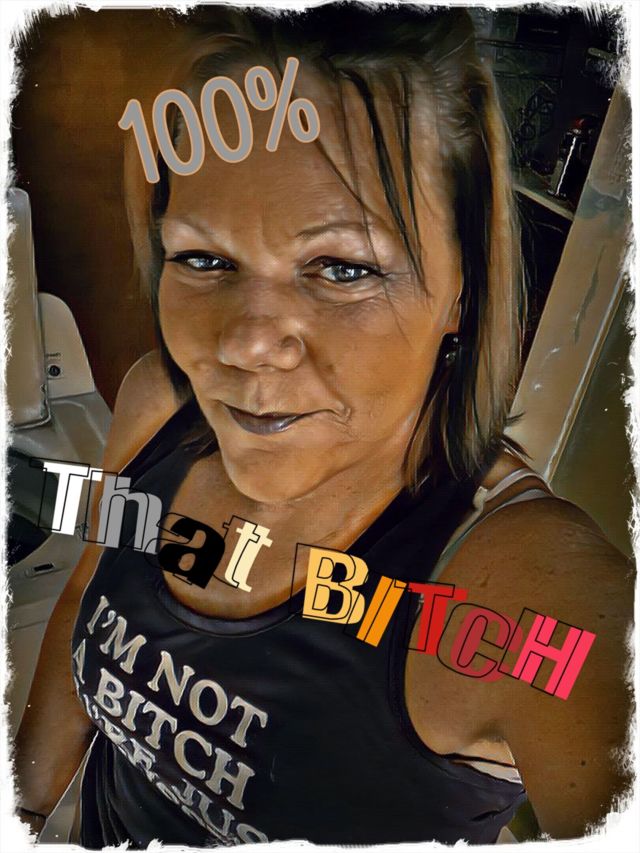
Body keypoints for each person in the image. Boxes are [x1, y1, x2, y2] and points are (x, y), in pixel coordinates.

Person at [14, 4, 632, 847]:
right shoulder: (157, 400)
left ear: (464, 290)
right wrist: (26, 814)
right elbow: (87, 589)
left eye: (342, 267)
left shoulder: (528, 592)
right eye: (202, 257)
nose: (243, 344)